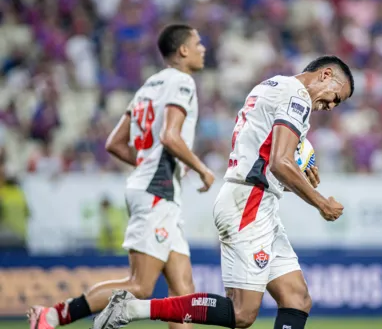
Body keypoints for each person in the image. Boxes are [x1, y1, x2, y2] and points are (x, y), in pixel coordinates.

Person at [92, 55, 354, 329]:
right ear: (326, 75)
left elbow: (266, 156)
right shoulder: (297, 97)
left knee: (296, 298)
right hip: (248, 203)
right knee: (242, 313)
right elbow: (279, 162)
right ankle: (132, 308)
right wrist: (321, 203)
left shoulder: (272, 85)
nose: (332, 106)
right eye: (337, 97)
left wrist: (294, 169)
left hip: (255, 201)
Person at [29, 23, 215, 329]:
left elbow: (115, 143)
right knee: (140, 286)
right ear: (183, 50)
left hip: (156, 189)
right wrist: (202, 168)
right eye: (197, 43)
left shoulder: (148, 86)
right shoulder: (182, 82)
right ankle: (53, 316)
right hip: (158, 191)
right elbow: (170, 136)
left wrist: (145, 162)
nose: (202, 48)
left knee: (183, 291)